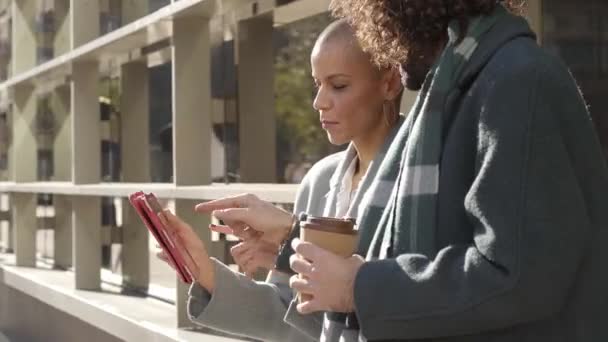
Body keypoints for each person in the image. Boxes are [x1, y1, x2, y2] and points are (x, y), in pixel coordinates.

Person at [195, 0, 608, 341]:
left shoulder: (517, 81)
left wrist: (358, 287)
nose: (381, 39)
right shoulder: (454, 95)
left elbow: (520, 276)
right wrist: (290, 242)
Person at [156, 19, 404, 341]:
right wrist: (206, 272)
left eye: (339, 85)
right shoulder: (320, 180)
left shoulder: (422, 179)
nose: (320, 102)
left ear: (390, 82)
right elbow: (289, 314)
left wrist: (291, 234)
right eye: (318, 85)